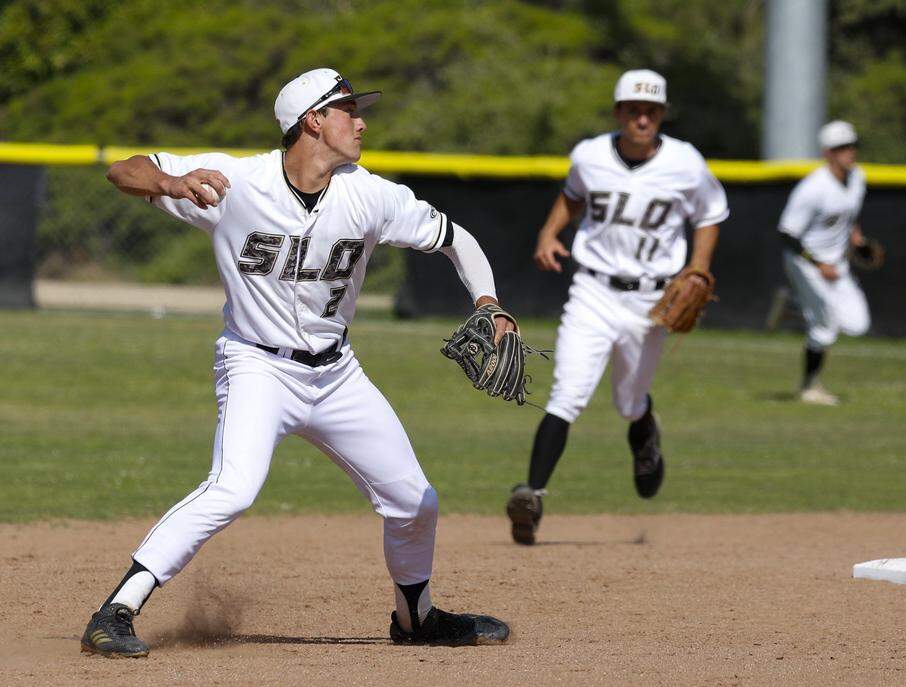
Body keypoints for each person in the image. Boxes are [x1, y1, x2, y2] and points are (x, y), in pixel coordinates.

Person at [80, 68, 513, 657]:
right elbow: (123, 170)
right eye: (348, 110)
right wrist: (173, 181)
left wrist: (489, 304)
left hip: (336, 374)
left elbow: (456, 238)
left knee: (415, 500)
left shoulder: (371, 194)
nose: (360, 122)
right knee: (232, 488)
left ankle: (417, 619)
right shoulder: (236, 180)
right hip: (257, 366)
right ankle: (116, 610)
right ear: (313, 120)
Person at [505, 69, 729, 545]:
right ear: (618, 113)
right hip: (592, 291)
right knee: (568, 393)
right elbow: (571, 196)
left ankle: (645, 432)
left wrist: (697, 267)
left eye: (651, 111)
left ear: (662, 115)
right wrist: (549, 233)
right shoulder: (589, 155)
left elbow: (710, 214)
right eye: (633, 110)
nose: (642, 118)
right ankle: (532, 495)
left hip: (650, 300)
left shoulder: (686, 163)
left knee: (629, 403)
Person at [778, 120, 871, 406]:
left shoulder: (857, 179)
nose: (849, 152)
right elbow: (787, 234)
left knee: (857, 325)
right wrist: (818, 264)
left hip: (836, 264)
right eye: (841, 148)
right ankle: (809, 388)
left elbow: (848, 215)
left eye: (851, 146)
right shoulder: (813, 188)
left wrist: (857, 239)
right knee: (825, 326)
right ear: (827, 153)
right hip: (805, 262)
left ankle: (795, 306)